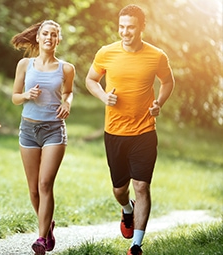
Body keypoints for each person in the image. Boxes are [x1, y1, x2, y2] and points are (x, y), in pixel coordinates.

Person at [85, 4, 175, 255]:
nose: (125, 32)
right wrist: (104, 97)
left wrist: (159, 103)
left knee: (142, 186)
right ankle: (127, 210)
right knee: (119, 190)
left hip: (145, 131)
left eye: (131, 27)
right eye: (122, 27)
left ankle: (136, 245)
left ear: (142, 28)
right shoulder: (106, 53)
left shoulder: (156, 56)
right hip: (115, 131)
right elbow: (90, 80)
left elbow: (168, 81)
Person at [11, 20, 75, 255]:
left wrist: (67, 103)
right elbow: (15, 97)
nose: (49, 37)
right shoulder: (24, 65)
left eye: (54, 34)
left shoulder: (66, 68)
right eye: (45, 33)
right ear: (38, 38)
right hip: (28, 130)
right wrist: (27, 94)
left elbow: (68, 91)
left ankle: (40, 238)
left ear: (58, 40)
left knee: (45, 184)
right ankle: (47, 227)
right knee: (33, 189)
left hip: (54, 131)